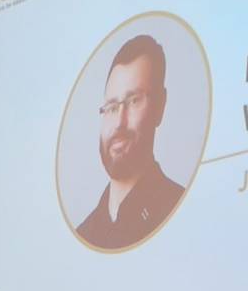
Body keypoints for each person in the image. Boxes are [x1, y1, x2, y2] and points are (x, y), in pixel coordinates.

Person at [76, 33, 186, 250]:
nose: (119, 122)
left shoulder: (182, 208)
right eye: (111, 107)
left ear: (160, 106)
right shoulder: (83, 236)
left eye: (134, 101)